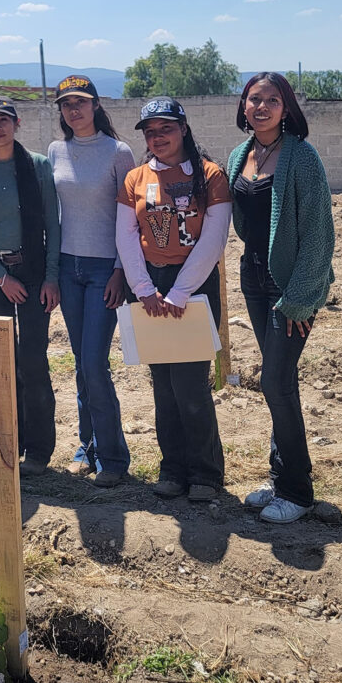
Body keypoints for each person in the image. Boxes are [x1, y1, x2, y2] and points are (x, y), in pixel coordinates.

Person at [228, 72, 336, 524]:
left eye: (273, 100)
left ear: (287, 108)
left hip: (290, 286)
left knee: (274, 381)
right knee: (279, 384)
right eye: (255, 99)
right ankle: (280, 478)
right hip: (253, 280)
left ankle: (298, 490)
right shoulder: (240, 155)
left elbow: (319, 233)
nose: (263, 106)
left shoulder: (302, 157)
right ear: (244, 106)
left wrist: (300, 298)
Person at [116, 97, 232, 501]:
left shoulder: (211, 175)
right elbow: (127, 236)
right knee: (162, 385)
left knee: (190, 385)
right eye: (150, 132)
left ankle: (205, 474)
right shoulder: (134, 179)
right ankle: (172, 468)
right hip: (149, 285)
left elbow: (214, 239)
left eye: (165, 128)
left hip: (194, 285)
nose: (157, 138)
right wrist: (144, 289)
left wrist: (182, 291)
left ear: (183, 129)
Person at [0, 96, 61, 476]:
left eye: (4, 119)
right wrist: (1, 277)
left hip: (34, 270)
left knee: (33, 359)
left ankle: (38, 450)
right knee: (3, 362)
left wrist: (51, 276)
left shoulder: (36, 165)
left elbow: (53, 223)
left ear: (17, 124)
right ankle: (8, 443)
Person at [48, 75, 135, 488]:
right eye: (66, 104)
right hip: (68, 268)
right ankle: (87, 446)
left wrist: (120, 269)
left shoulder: (119, 152)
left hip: (104, 270)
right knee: (82, 365)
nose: (74, 109)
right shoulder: (55, 151)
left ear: (96, 105)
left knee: (96, 364)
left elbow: (130, 215)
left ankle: (114, 457)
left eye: (81, 102)